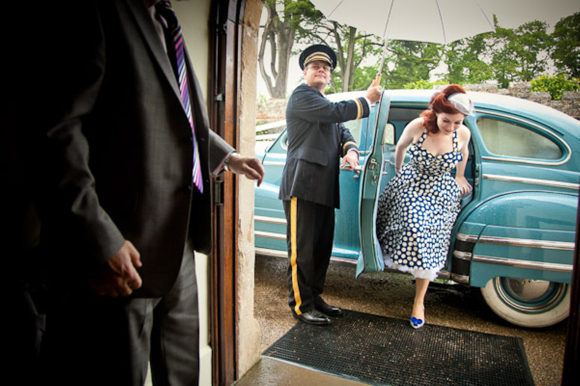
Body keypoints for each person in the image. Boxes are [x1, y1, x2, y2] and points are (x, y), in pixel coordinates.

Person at [20, 1, 264, 385]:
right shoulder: (95, 12)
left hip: (179, 243)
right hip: (121, 251)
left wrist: (228, 156)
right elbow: (55, 133)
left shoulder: (167, 20)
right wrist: (99, 241)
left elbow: (180, 116)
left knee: (183, 373)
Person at [279, 44, 382, 325]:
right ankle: (301, 305)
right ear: (305, 72)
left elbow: (342, 130)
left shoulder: (324, 105)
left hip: (324, 186)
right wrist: (367, 100)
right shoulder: (303, 96)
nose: (322, 70)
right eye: (316, 66)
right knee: (301, 249)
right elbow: (337, 113)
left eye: (326, 68)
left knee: (321, 248)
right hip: (302, 185)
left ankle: (314, 297)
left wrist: (350, 150)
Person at [376, 84, 473, 329]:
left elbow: (464, 153)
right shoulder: (418, 127)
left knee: (431, 241)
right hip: (414, 185)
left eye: (458, 122)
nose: (451, 127)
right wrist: (400, 171)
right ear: (436, 113)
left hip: (441, 190)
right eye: (446, 121)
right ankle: (396, 255)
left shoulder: (463, 134)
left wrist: (460, 176)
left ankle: (419, 302)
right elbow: (400, 148)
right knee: (415, 227)